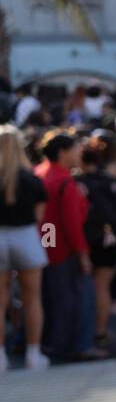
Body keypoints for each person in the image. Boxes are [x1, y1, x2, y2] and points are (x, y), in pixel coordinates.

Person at [33, 130, 105, 362]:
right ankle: (79, 345)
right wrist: (82, 254)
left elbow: (47, 221)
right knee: (78, 297)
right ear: (63, 152)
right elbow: (72, 223)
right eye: (75, 148)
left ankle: (54, 343)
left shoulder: (41, 173)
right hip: (64, 249)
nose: (79, 153)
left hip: (46, 245)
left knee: (51, 299)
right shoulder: (64, 180)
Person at [0, 124, 49, 372]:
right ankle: (33, 353)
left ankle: (0, 357)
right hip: (26, 235)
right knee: (32, 298)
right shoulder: (31, 179)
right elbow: (39, 215)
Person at [77, 131, 116, 352]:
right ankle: (100, 330)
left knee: (87, 287)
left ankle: (91, 331)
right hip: (111, 241)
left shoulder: (77, 184)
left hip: (86, 240)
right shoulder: (110, 180)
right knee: (102, 286)